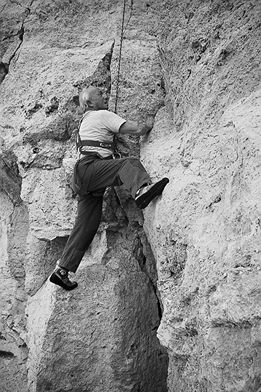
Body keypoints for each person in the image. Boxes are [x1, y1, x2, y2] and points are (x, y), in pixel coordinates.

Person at [49, 86, 169, 290]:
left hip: (83, 177)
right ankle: (141, 190)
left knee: (87, 224)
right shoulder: (100, 114)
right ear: (89, 103)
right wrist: (153, 121)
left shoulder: (85, 121)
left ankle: (62, 269)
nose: (104, 95)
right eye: (100, 94)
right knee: (127, 163)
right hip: (90, 168)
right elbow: (136, 129)